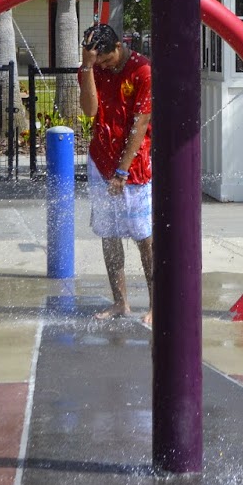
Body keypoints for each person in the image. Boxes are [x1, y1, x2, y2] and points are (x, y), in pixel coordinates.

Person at [78, 23, 154, 323]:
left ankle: (155, 304)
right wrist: (87, 68)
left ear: (118, 48)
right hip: (100, 161)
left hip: (134, 167)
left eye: (106, 61)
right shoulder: (91, 67)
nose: (104, 68)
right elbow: (89, 111)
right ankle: (120, 303)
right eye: (98, 62)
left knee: (143, 236)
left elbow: (141, 123)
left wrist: (122, 171)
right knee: (109, 234)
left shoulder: (143, 71)